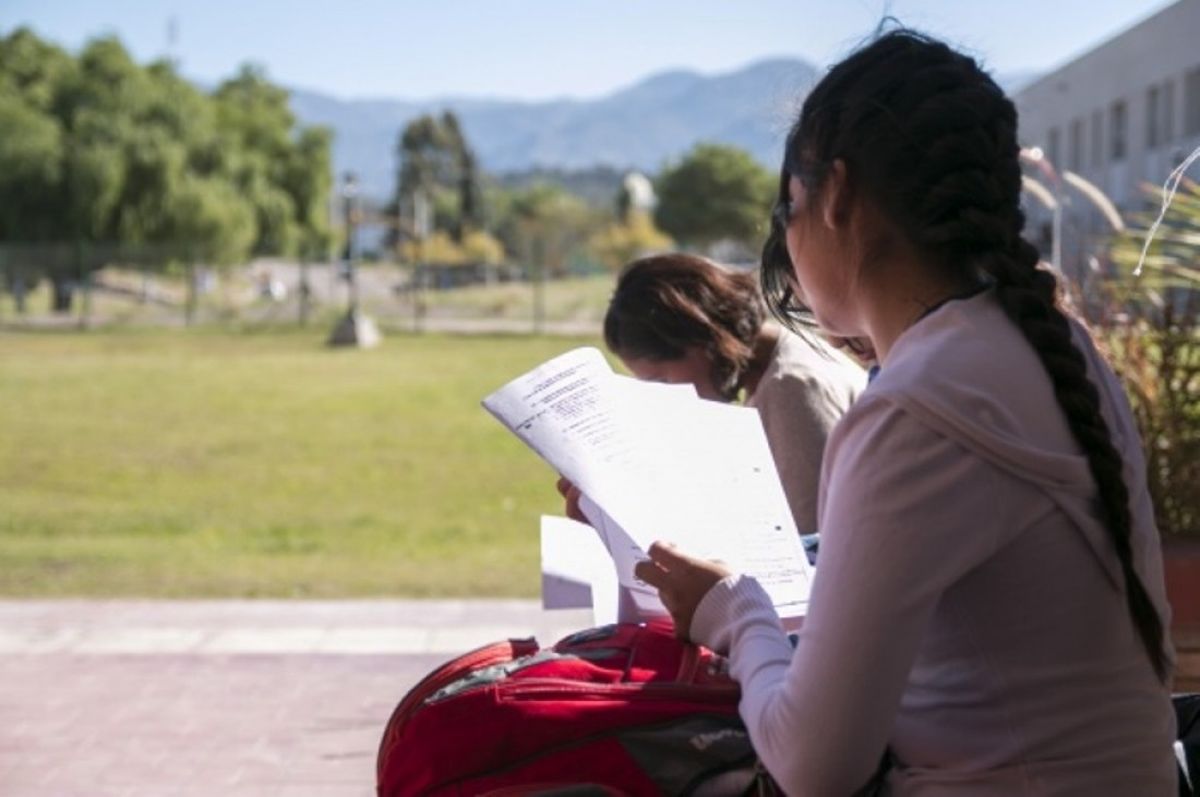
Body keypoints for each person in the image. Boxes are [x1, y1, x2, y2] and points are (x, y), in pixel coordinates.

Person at [633, 30, 1177, 795]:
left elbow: (813, 766)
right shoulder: (1042, 341)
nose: (784, 237)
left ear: (841, 195)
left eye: (790, 204)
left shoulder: (917, 408)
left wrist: (734, 610)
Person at [591, 252, 865, 535]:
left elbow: (808, 539)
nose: (667, 396)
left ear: (699, 339)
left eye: (661, 380)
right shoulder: (776, 365)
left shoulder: (791, 389)